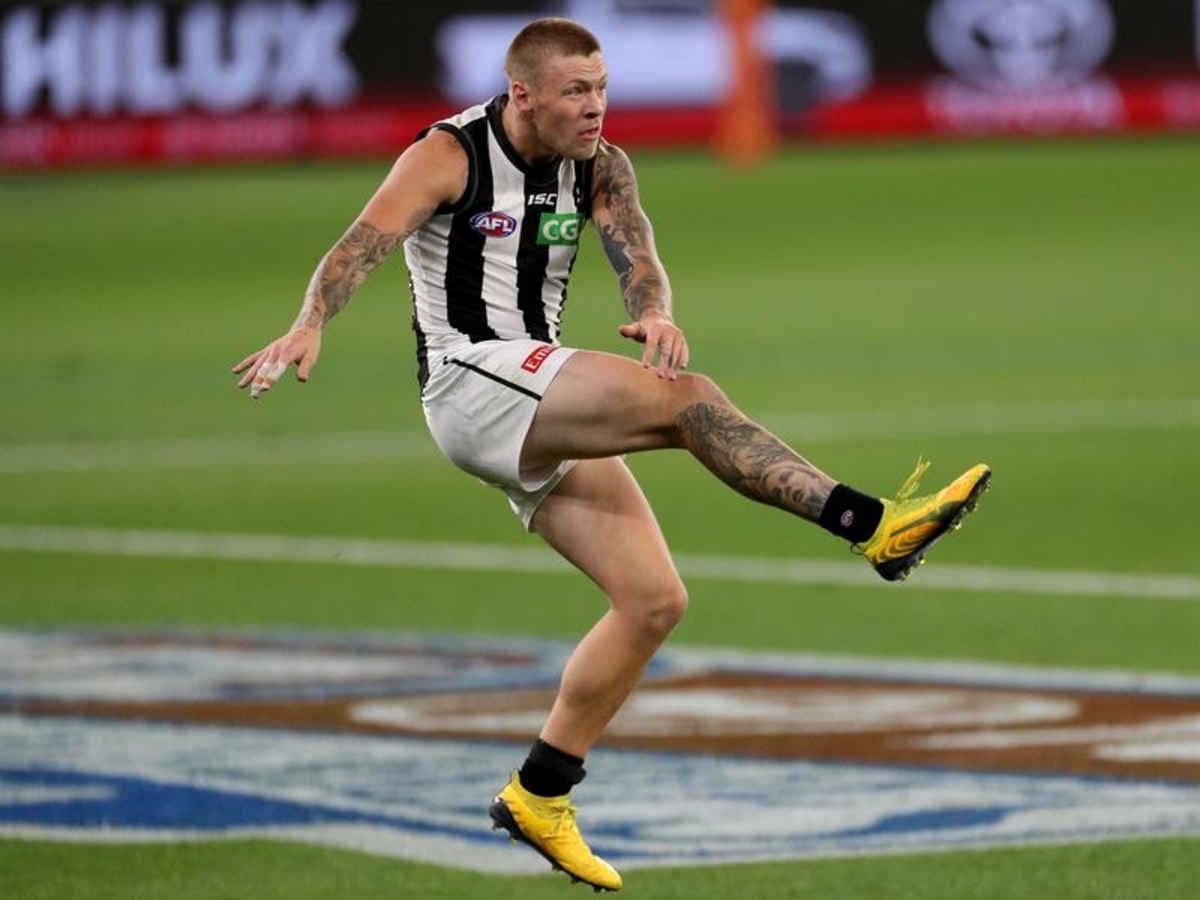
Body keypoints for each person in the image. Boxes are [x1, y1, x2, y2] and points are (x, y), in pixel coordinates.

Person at [233, 17, 990, 893]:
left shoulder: (601, 164)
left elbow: (637, 253)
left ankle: (539, 792)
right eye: (576, 92)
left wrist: (654, 310)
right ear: (523, 95)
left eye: (602, 88)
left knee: (653, 602)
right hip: (471, 379)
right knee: (690, 402)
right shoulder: (448, 155)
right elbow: (358, 247)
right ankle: (873, 526)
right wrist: (309, 324)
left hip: (534, 389)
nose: (596, 107)